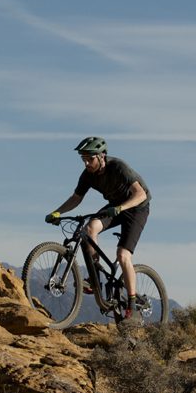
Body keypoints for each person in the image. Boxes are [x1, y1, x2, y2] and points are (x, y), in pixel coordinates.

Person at [45, 136, 151, 318]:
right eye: (83, 159)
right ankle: (95, 276)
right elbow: (76, 198)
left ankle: (132, 305)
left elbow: (140, 194)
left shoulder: (118, 167)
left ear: (102, 156)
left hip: (136, 209)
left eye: (90, 158)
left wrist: (121, 207)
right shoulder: (87, 175)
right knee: (90, 227)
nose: (86, 163)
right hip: (115, 207)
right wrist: (57, 212)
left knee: (123, 255)